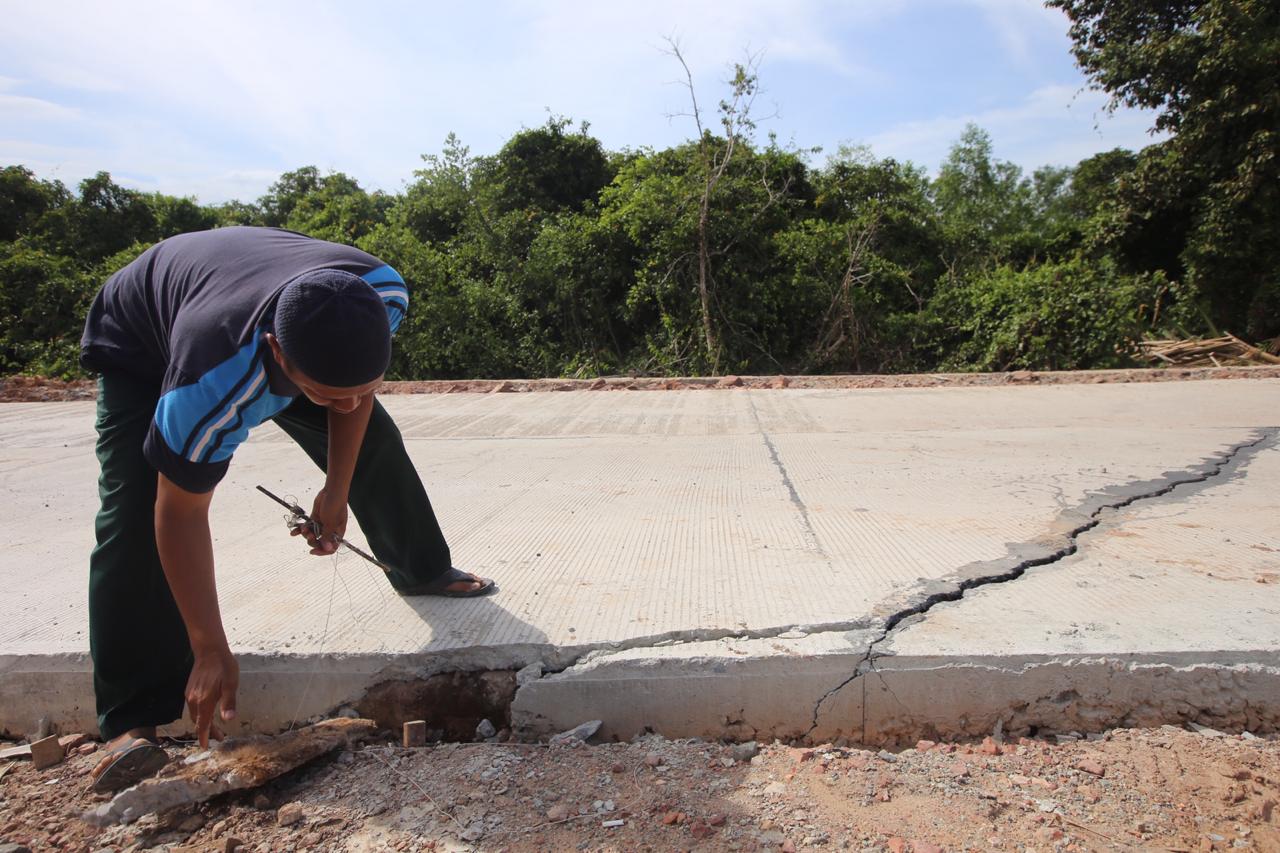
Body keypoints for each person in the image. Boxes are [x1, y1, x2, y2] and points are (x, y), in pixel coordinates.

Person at [79, 226, 494, 792]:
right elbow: (177, 514)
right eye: (326, 393)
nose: (345, 404)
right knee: (131, 514)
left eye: (363, 383)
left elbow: (354, 397)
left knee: (371, 436)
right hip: (142, 334)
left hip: (248, 296)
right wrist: (208, 647)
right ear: (278, 352)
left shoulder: (379, 294)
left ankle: (419, 566)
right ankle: (129, 719)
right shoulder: (211, 386)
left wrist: (336, 489)